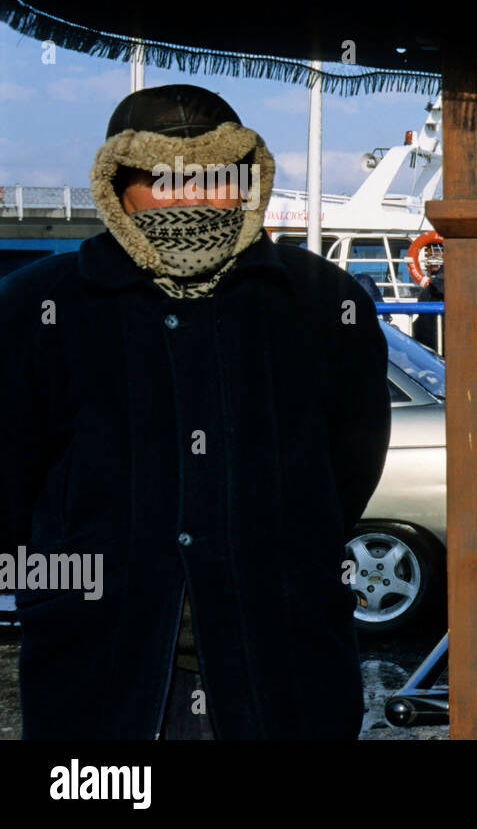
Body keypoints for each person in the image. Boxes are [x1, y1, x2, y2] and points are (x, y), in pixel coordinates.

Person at [0, 85, 391, 739]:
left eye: (208, 175)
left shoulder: (324, 302)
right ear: (116, 184)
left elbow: (349, 469)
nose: (186, 194)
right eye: (160, 177)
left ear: (242, 181)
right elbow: (9, 488)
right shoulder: (33, 307)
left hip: (285, 672)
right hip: (96, 680)